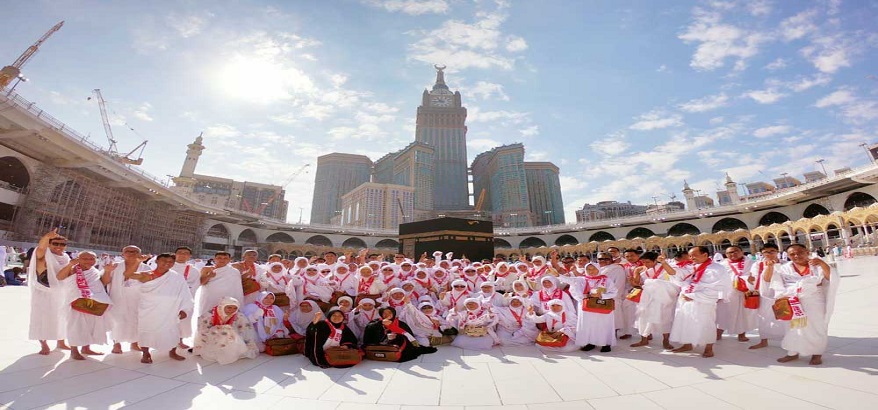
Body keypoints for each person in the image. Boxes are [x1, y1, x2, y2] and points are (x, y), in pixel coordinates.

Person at [773, 244, 838, 365]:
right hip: (792, 301)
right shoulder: (784, 268)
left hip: (814, 300)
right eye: (792, 254)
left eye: (800, 252)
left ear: (807, 252)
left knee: (817, 326)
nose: (796, 256)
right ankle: (792, 353)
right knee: (793, 327)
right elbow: (777, 284)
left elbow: (830, 278)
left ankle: (817, 353)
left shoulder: (816, 264)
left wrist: (822, 264)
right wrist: (795, 289)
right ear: (788, 255)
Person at [133, 253, 194, 364]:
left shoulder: (177, 277)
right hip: (148, 309)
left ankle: (172, 352)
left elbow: (185, 293)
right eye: (163, 261)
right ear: (156, 261)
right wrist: (137, 262)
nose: (167, 263)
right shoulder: (146, 274)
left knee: (172, 330)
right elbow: (128, 276)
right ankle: (145, 353)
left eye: (170, 262)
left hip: (170, 309)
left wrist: (184, 309)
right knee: (146, 329)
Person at [670, 246, 728, 358]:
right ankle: (687, 344)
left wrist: (694, 296)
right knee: (685, 322)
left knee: (706, 324)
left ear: (705, 255)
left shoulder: (716, 269)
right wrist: (686, 291)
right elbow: (686, 281)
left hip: (703, 302)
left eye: (694, 255)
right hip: (687, 300)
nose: (691, 258)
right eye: (690, 255)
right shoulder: (694, 267)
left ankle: (708, 348)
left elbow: (716, 287)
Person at [56, 251, 111, 360]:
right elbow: (59, 277)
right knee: (76, 326)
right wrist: (70, 264)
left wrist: (108, 271)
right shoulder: (72, 269)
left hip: (93, 301)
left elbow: (103, 283)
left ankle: (86, 348)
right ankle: (74, 350)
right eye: (85, 259)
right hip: (76, 301)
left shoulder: (94, 271)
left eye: (92, 259)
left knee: (91, 325)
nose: (89, 261)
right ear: (79, 259)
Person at [554, 259, 618, 353]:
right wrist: (557, 275)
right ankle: (590, 342)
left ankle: (606, 344)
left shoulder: (606, 280)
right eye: (588, 269)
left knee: (603, 325)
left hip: (603, 307)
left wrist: (601, 295)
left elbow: (614, 292)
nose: (591, 271)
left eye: (593, 269)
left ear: (598, 269)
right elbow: (569, 280)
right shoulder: (582, 280)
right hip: (586, 307)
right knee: (588, 325)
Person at [28, 229, 71, 355]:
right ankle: (43, 343)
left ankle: (61, 341)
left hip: (62, 292)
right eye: (55, 243)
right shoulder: (43, 254)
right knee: (42, 318)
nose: (59, 246)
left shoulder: (66, 257)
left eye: (62, 244)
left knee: (62, 318)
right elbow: (41, 247)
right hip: (44, 292)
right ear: (49, 244)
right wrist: (47, 236)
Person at [104, 245, 151, 354]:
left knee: (136, 320)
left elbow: (147, 282)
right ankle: (116, 343)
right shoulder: (114, 266)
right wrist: (107, 271)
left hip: (137, 298)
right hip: (117, 297)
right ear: (122, 254)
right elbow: (105, 281)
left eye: (134, 251)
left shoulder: (146, 268)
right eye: (128, 251)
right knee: (117, 321)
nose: (131, 253)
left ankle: (134, 343)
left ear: (139, 254)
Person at [630, 252, 679, 350]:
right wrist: (634, 282)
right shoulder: (642, 270)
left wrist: (664, 263)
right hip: (648, 296)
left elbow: (672, 277)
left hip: (662, 296)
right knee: (643, 316)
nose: (645, 264)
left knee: (665, 317)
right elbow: (640, 284)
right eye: (643, 262)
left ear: (655, 260)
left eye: (647, 262)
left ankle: (666, 340)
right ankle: (644, 339)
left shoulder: (663, 267)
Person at [193, 297, 259, 364]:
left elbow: (246, 330)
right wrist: (218, 330)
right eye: (229, 307)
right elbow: (202, 332)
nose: (231, 310)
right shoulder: (208, 316)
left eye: (235, 308)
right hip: (212, 338)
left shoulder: (239, 315)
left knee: (228, 331)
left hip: (231, 339)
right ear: (222, 306)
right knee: (224, 331)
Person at [362, 306, 437, 362]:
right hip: (378, 344)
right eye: (384, 313)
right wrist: (380, 324)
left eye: (389, 313)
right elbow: (368, 333)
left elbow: (408, 336)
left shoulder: (400, 323)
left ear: (393, 313)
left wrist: (398, 335)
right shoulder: (376, 322)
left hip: (395, 345)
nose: (387, 315)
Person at [748, 244, 787, 350]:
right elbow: (762, 280)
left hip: (782, 295)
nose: (769, 254)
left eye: (772, 251)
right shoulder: (758, 265)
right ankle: (763, 340)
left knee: (783, 317)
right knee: (764, 318)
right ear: (762, 253)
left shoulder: (785, 264)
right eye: (766, 252)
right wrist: (769, 268)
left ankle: (787, 340)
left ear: (777, 251)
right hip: (764, 296)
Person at [716, 246, 756, 342]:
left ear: (742, 252)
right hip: (728, 293)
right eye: (730, 252)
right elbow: (718, 280)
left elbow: (755, 276)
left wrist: (745, 279)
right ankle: (718, 333)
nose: (733, 254)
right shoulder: (722, 265)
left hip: (745, 291)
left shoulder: (751, 263)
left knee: (743, 314)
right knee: (723, 313)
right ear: (726, 255)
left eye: (736, 251)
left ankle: (741, 334)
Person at [195, 252, 244, 324]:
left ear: (229, 260)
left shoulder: (234, 271)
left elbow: (237, 287)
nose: (222, 260)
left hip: (228, 298)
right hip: (210, 298)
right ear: (215, 259)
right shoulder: (207, 269)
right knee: (208, 318)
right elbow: (201, 283)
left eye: (225, 258)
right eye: (219, 258)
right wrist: (209, 276)